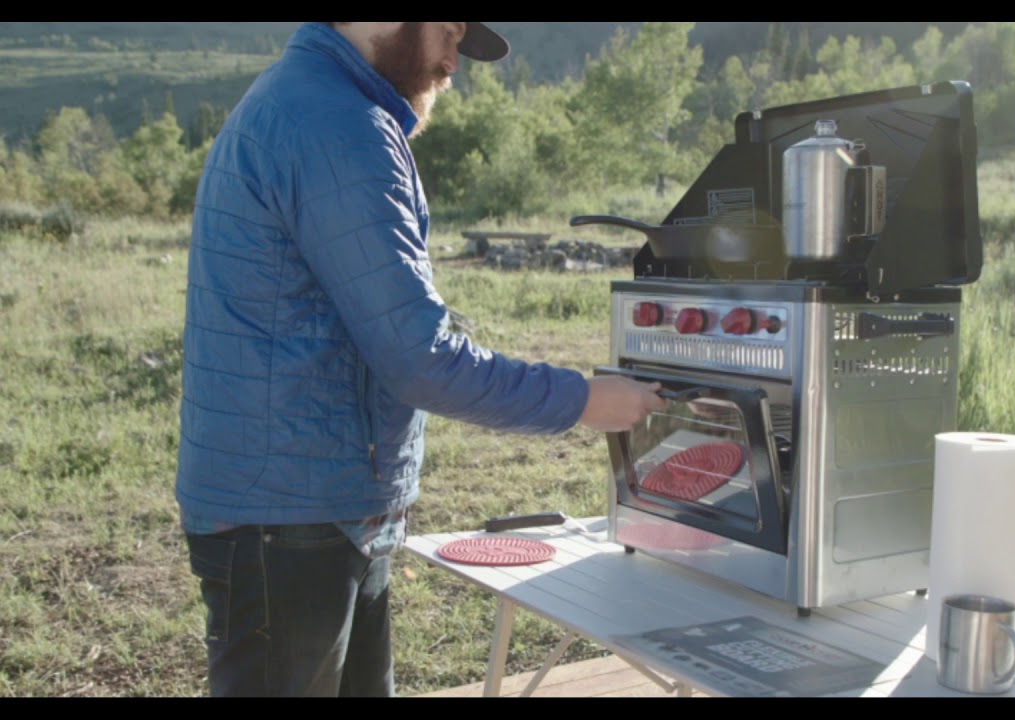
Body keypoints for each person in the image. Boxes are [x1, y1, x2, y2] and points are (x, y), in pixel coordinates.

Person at [174, 22, 668, 698]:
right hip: (291, 518)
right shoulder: (338, 124)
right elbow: (418, 357)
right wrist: (587, 400)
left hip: (313, 507)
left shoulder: (311, 102)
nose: (453, 61)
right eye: (447, 30)